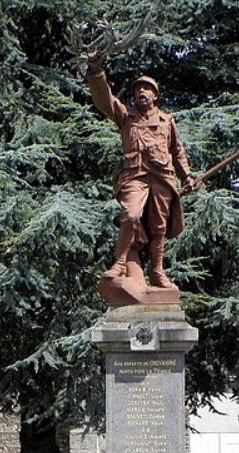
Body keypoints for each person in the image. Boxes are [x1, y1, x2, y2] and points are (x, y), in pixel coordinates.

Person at [87, 57, 197, 289]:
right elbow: (104, 101)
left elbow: (177, 150)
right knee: (131, 215)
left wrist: (186, 175)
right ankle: (119, 263)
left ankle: (157, 272)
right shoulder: (126, 116)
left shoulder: (167, 121)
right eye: (138, 89)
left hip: (162, 177)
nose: (142, 92)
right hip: (134, 176)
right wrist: (97, 72)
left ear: (155, 95)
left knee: (159, 227)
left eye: (147, 89)